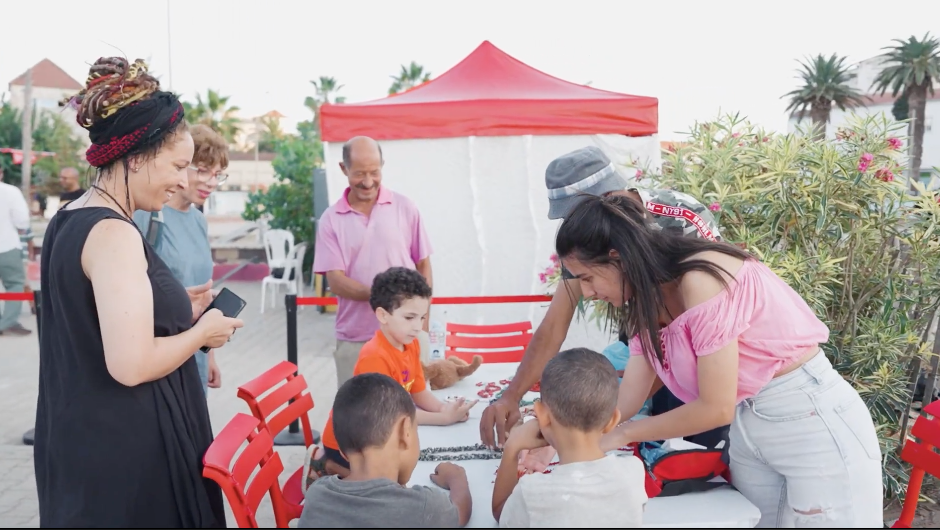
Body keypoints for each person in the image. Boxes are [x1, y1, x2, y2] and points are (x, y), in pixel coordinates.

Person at [555, 193, 883, 527]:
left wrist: (624, 434)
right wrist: (558, 433)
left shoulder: (701, 279)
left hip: (810, 421)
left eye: (586, 277)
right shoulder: (647, 302)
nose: (588, 292)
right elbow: (627, 400)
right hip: (749, 425)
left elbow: (715, 408)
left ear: (618, 258)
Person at [34, 57, 243, 527]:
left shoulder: (70, 218)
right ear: (137, 155)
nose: (182, 181)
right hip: (128, 452)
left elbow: (91, 318)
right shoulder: (115, 233)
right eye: (178, 165)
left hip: (87, 436)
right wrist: (203, 332)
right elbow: (129, 364)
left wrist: (174, 309)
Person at [481, 145, 727, 451]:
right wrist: (511, 397)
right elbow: (555, 325)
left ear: (610, 199)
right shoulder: (585, 240)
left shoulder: (679, 218)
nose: (589, 292)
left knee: (700, 452)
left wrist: (599, 430)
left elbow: (708, 325)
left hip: (706, 362)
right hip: (651, 353)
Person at [311, 267, 476, 479]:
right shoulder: (375, 356)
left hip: (380, 432)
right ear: (383, 315)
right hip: (349, 444)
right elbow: (395, 417)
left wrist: (445, 408)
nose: (418, 327)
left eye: (422, 317)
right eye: (409, 317)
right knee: (386, 480)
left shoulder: (411, 345)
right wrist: (443, 418)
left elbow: (418, 392)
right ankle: (327, 465)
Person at [313, 136, 433, 387]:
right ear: (343, 169)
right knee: (358, 420)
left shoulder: (405, 207)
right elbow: (335, 281)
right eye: (359, 174)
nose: (368, 182)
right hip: (355, 338)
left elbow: (423, 266)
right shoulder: (330, 219)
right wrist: (387, 299)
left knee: (411, 412)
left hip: (406, 338)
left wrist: (420, 327)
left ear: (382, 165)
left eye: (374, 172)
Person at [493, 348, 647, 528]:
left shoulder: (532, 493)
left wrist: (512, 447)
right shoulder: (633, 471)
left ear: (541, 414)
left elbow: (501, 513)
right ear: (612, 420)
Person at [299, 372, 471, 528]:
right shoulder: (423, 507)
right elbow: (459, 514)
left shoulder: (317, 495)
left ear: (343, 452)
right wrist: (457, 478)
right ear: (405, 431)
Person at [134, 124, 229, 395]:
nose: (211, 182)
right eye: (202, 170)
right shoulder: (148, 216)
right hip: (161, 351)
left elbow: (202, 287)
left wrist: (209, 354)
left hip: (195, 348)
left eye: (218, 175)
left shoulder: (199, 221)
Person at [0, 165, 32, 336]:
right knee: (14, 284)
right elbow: (22, 222)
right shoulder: (10, 192)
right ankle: (8, 322)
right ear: (1, 172)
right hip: (6, 246)